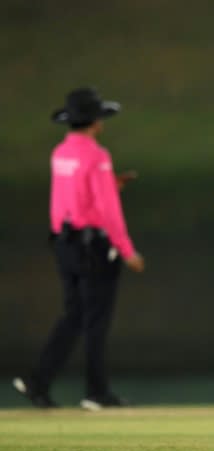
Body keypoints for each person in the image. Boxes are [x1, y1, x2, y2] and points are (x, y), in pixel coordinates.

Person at [13, 87, 145, 410]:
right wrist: (126, 249)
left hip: (64, 243)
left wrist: (110, 183)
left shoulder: (61, 154)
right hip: (93, 246)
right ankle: (96, 392)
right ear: (96, 121)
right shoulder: (97, 156)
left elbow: (72, 198)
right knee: (97, 318)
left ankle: (38, 380)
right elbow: (107, 210)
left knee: (74, 314)